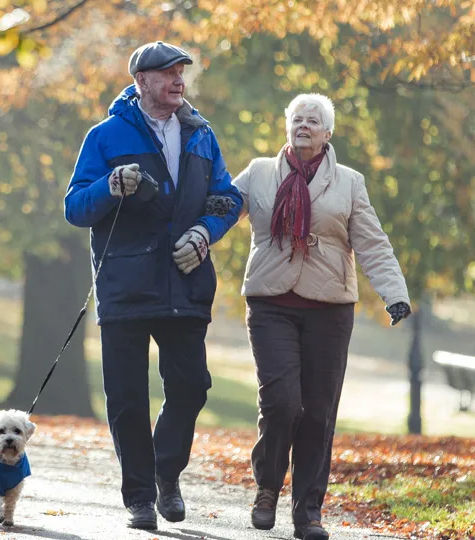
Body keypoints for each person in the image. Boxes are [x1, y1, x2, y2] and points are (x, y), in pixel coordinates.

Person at [63, 41, 242, 531]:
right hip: (124, 283)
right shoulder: (105, 136)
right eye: (166, 73)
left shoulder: (202, 135)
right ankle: (139, 498)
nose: (178, 80)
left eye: (182, 71)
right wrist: (110, 187)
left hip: (185, 281)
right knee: (126, 397)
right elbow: (75, 207)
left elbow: (227, 198)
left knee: (191, 387)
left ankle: (166, 472)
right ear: (141, 81)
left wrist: (204, 233)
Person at [231, 93, 411, 540]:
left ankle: (308, 512)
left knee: (317, 413)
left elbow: (371, 242)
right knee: (281, 403)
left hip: (330, 309)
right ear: (286, 125)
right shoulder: (257, 174)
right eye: (297, 118)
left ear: (328, 133)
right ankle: (268, 486)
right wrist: (193, 236)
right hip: (271, 302)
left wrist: (394, 293)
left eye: (313, 120)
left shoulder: (349, 182)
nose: (304, 125)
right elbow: (217, 211)